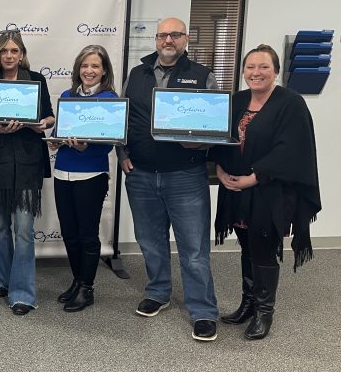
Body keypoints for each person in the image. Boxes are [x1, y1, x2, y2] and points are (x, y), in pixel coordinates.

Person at [119, 17, 220, 342]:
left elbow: (217, 126)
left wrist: (201, 144)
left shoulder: (202, 75)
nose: (168, 40)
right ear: (156, 39)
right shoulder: (137, 74)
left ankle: (203, 311)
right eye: (163, 35)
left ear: (186, 39)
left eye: (175, 35)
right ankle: (158, 292)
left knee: (193, 249)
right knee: (150, 241)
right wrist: (122, 154)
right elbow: (123, 118)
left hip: (185, 176)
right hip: (141, 175)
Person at [212, 44, 321, 340]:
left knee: (263, 248)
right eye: (250, 67)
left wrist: (254, 178)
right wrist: (220, 170)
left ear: (276, 71)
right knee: (247, 246)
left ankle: (264, 311)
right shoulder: (238, 100)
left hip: (269, 191)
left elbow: (291, 150)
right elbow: (220, 137)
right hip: (236, 189)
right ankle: (248, 303)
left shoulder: (290, 103)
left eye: (263, 67)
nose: (256, 72)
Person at [0, 30, 55, 316]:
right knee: (0, 227)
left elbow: (49, 117)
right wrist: (1, 130)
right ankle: (4, 279)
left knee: (23, 229)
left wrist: (39, 125)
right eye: (4, 51)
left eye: (14, 51)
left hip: (27, 161)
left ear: (21, 55)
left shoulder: (36, 80)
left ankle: (23, 294)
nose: (9, 56)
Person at [47, 45, 117, 312]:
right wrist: (55, 141)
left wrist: (84, 147)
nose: (89, 71)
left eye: (95, 66)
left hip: (91, 174)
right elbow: (60, 130)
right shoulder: (67, 96)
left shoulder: (110, 99)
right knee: (69, 232)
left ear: (104, 71)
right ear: (78, 69)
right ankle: (77, 281)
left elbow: (109, 143)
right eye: (85, 66)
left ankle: (87, 288)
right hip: (62, 172)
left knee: (87, 234)